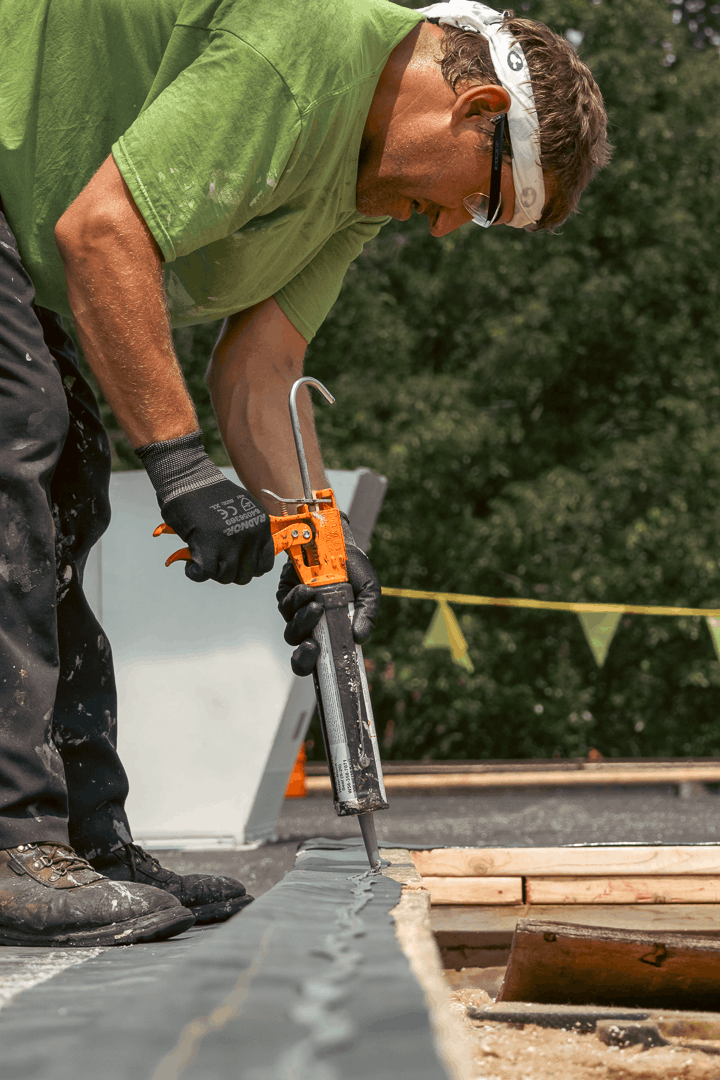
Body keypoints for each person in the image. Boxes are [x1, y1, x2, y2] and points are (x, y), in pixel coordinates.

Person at [0, 0, 610, 946]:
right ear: (476, 105)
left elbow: (261, 370)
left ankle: (81, 844)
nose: (450, 227)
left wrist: (320, 544)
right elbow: (104, 234)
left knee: (68, 472)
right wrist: (181, 465)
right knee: (19, 438)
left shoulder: (362, 188)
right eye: (484, 199)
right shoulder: (304, 47)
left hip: (23, 233)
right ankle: (9, 848)